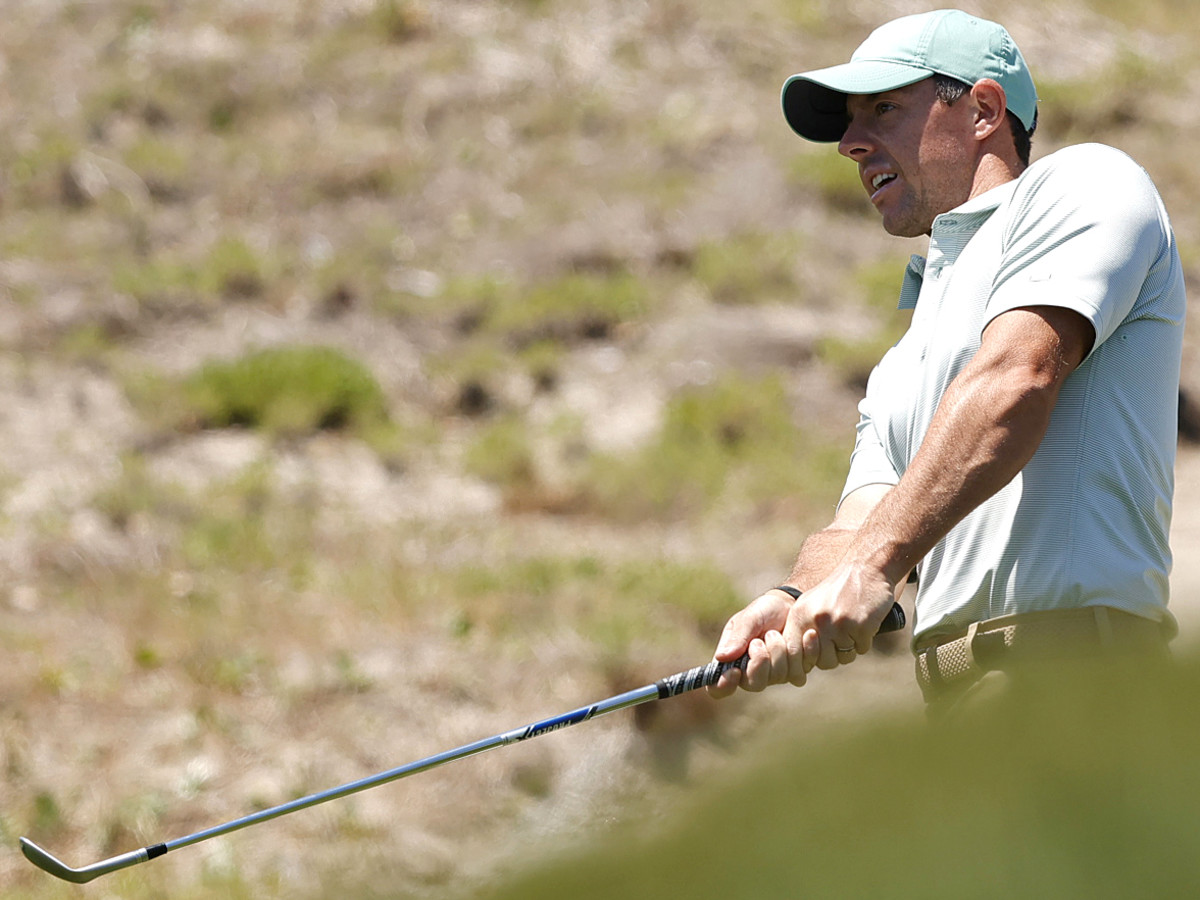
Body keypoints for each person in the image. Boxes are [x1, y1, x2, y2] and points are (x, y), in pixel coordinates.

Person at [707, 9, 1186, 714]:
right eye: (849, 122)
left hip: (1081, 681)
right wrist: (793, 600)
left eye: (883, 109)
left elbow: (1016, 379)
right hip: (964, 707)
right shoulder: (904, 360)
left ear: (984, 109)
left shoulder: (1088, 183)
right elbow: (860, 524)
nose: (849, 143)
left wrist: (873, 567)